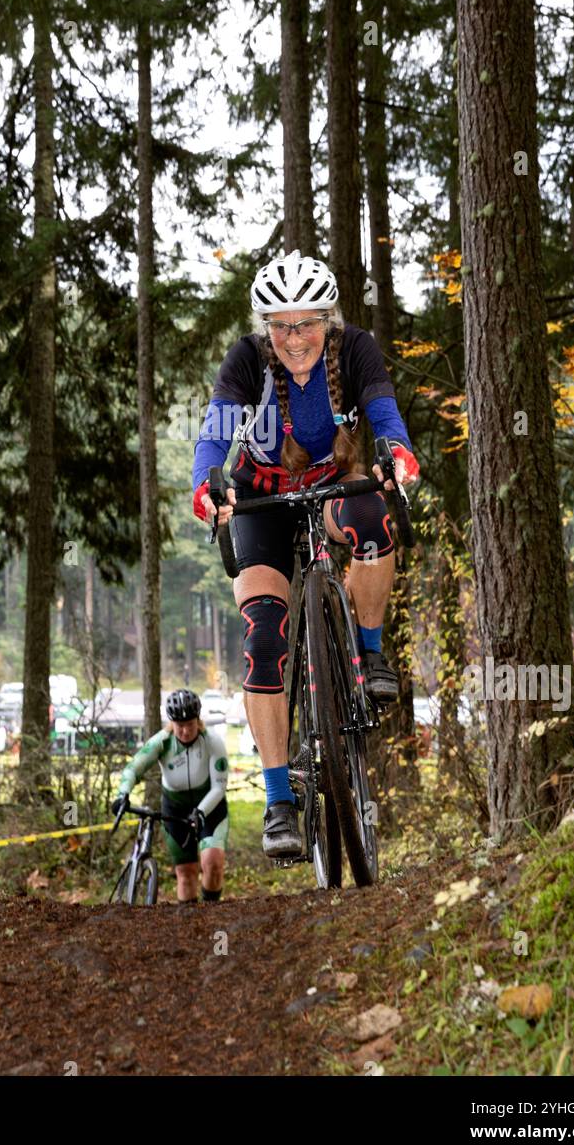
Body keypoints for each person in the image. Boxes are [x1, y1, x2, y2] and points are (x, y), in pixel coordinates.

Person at [191, 249, 419, 860]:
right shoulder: (248, 358)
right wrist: (205, 484)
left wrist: (395, 451)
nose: (295, 338)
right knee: (265, 637)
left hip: (329, 484)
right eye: (281, 325)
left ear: (329, 317)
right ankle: (278, 802)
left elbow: (382, 407)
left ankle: (367, 657)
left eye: (307, 322)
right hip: (262, 498)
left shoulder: (356, 347)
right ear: (265, 326)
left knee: (372, 526)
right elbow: (215, 428)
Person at [112, 689, 229, 903]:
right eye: (179, 726)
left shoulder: (212, 741)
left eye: (190, 725)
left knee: (212, 863)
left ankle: (212, 914)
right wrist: (122, 794)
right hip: (175, 807)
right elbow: (134, 768)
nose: (184, 731)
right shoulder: (162, 742)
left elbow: (219, 787)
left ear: (198, 720)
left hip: (210, 807)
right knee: (185, 873)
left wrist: (200, 812)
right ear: (171, 722)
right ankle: (189, 925)